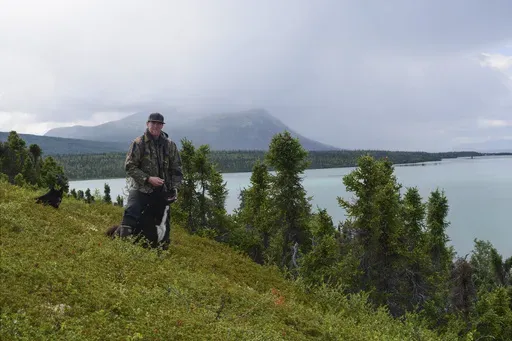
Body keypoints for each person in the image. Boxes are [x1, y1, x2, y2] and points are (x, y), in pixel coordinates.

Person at [115, 112, 183, 238]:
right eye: (153, 123)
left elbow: (177, 169)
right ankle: (122, 246)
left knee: (164, 222)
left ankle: (162, 249)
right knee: (131, 212)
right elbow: (129, 166)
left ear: (162, 126)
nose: (156, 126)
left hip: (162, 191)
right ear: (147, 124)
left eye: (159, 124)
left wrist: (175, 188)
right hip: (140, 188)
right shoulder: (139, 143)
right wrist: (147, 179)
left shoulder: (170, 145)